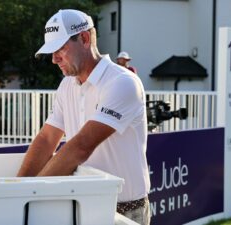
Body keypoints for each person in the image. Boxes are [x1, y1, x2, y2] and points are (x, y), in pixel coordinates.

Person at [17, 9, 150, 225]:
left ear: (85, 39)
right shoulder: (67, 85)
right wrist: (16, 192)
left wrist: (31, 196)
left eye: (60, 48)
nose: (53, 59)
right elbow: (46, 139)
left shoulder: (122, 82)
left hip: (125, 211)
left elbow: (81, 146)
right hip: (82, 205)